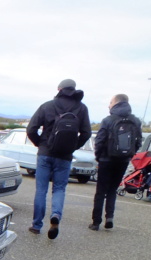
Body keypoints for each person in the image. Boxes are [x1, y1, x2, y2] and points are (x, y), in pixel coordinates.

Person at [26, 79, 92, 239]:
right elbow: (87, 133)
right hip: (65, 156)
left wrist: (40, 144)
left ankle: (36, 225)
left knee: (41, 189)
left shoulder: (47, 105)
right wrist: (73, 146)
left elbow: (31, 129)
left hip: (45, 153)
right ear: (74, 90)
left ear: (59, 89)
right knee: (60, 189)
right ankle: (55, 216)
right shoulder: (81, 108)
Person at [89, 94, 142, 230]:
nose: (109, 105)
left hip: (106, 159)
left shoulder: (108, 120)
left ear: (116, 103)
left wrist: (98, 156)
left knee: (101, 191)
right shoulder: (135, 121)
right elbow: (138, 142)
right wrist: (129, 155)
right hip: (123, 160)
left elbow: (99, 141)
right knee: (112, 189)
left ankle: (96, 222)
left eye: (110, 102)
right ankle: (110, 218)